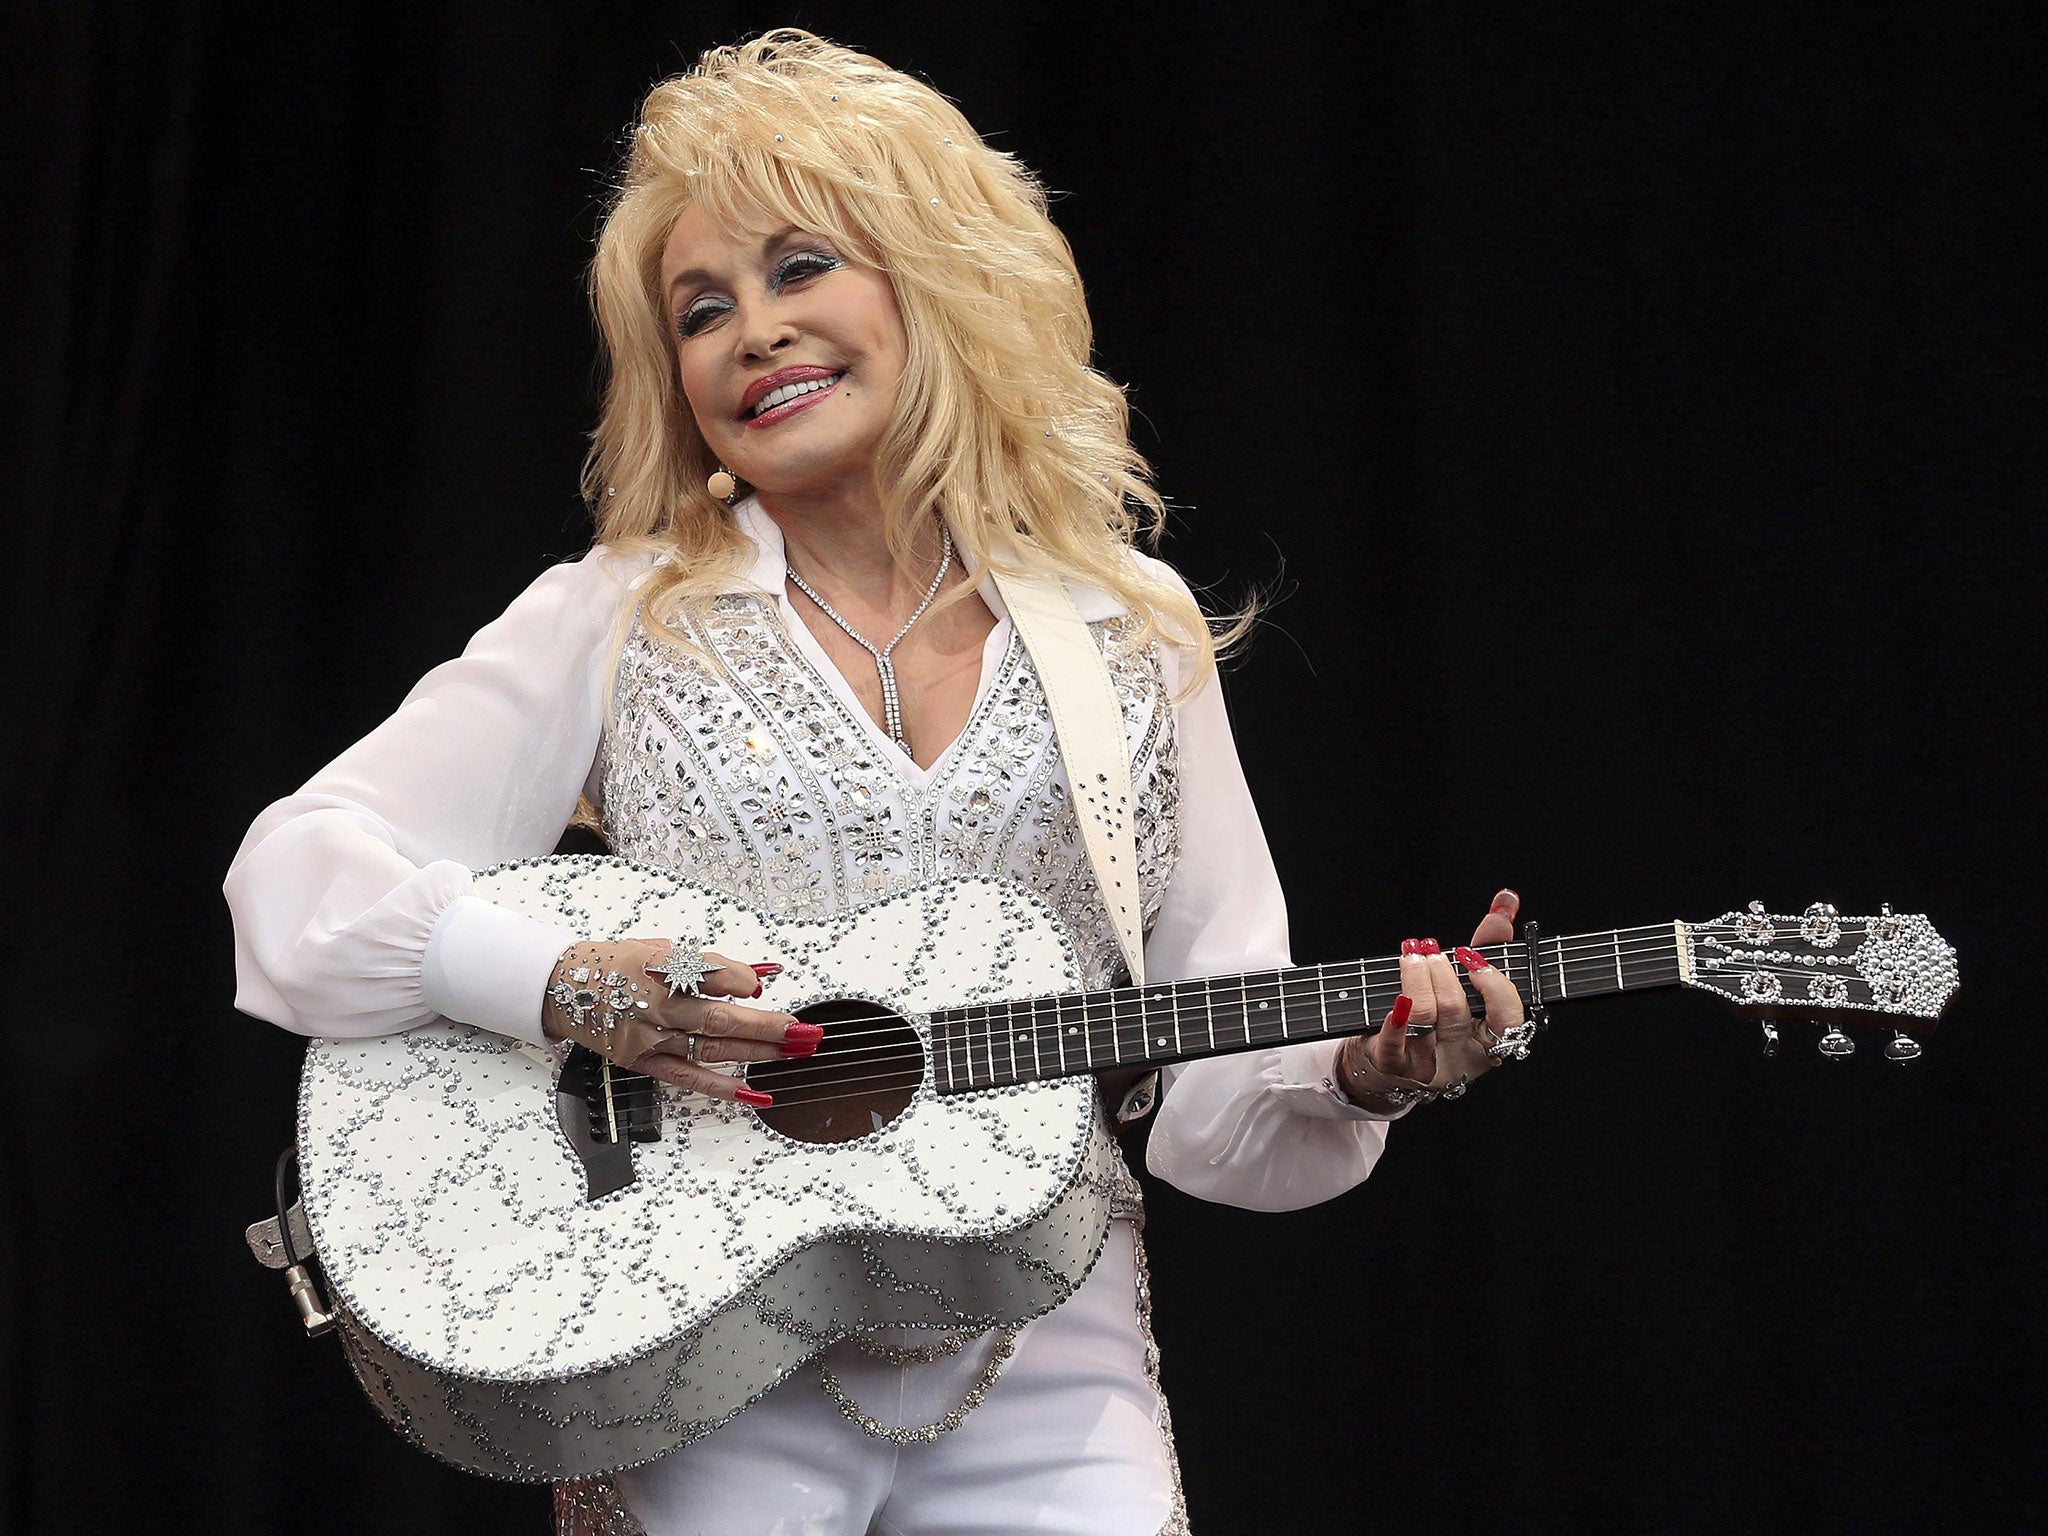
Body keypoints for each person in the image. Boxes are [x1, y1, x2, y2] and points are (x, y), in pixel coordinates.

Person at [223, 31, 1529, 1536]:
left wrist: (1371, 1073)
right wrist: (564, 981)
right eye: (701, 310)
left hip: (1048, 1343)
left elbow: (1217, 1082)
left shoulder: (1129, 629)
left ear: (937, 283)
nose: (751, 335)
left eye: (799, 271)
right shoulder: (625, 612)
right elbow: (296, 875)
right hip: (692, 1345)